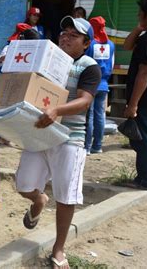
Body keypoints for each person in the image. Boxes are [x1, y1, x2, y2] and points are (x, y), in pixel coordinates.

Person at [16, 16, 101, 268]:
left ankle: (59, 249)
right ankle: (39, 200)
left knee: (66, 196)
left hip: (69, 138)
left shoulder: (89, 66)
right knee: (23, 184)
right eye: (64, 32)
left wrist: (57, 111)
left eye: (73, 35)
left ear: (85, 43)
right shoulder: (49, 60)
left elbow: (85, 101)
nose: (65, 37)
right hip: (40, 134)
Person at [123, 0, 147, 191]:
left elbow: (144, 73)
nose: (138, 16)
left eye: (140, 14)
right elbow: (127, 45)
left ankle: (146, 179)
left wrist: (133, 104)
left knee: (145, 138)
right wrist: (139, 28)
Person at [85, 16, 115, 154]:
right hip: (103, 84)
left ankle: (86, 147)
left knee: (88, 115)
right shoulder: (111, 44)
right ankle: (97, 146)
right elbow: (112, 65)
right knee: (100, 115)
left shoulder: (89, 44)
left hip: (90, 84)